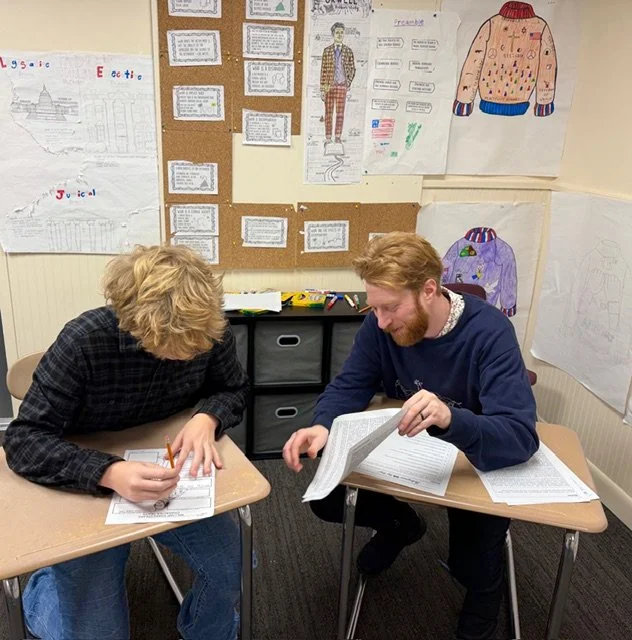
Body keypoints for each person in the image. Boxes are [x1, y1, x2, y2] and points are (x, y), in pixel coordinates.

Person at [283, 232, 538, 640]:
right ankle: (403, 525)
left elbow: (520, 436)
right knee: (328, 496)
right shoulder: (380, 324)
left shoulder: (490, 332)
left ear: (429, 290)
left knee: (469, 564)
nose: (381, 321)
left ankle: (484, 592)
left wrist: (451, 418)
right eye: (375, 308)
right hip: (408, 445)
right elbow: (350, 385)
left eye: (390, 308)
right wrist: (322, 425)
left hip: (469, 454)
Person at [4, 244, 249, 640]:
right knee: (99, 633)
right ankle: (44, 589)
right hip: (86, 478)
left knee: (232, 567)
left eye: (197, 345)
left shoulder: (210, 328)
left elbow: (233, 387)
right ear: (135, 324)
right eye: (174, 346)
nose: (189, 354)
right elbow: (24, 439)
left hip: (165, 469)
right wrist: (108, 472)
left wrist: (209, 416)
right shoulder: (84, 341)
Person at [320, 21, 355, 144]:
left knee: (340, 113)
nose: (339, 35)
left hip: (341, 86)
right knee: (328, 112)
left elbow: (352, 68)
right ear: (333, 34)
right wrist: (323, 89)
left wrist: (348, 83)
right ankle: (328, 137)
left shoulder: (348, 51)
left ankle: (338, 136)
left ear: (344, 34)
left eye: (341, 32)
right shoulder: (327, 51)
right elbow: (323, 70)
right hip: (329, 86)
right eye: (337, 32)